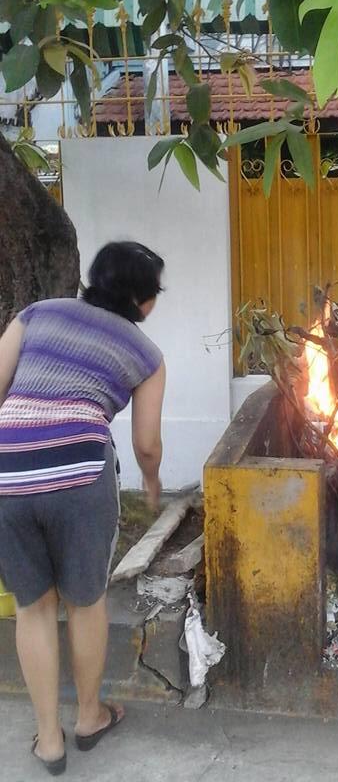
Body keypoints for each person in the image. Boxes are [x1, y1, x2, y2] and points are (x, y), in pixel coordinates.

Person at [0, 242, 166, 776]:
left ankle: (49, 741)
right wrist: (151, 479)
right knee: (86, 600)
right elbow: (145, 443)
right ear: (143, 300)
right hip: (79, 474)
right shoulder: (145, 353)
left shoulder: (37, 314)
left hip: (7, 471)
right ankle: (89, 716)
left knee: (34, 606)